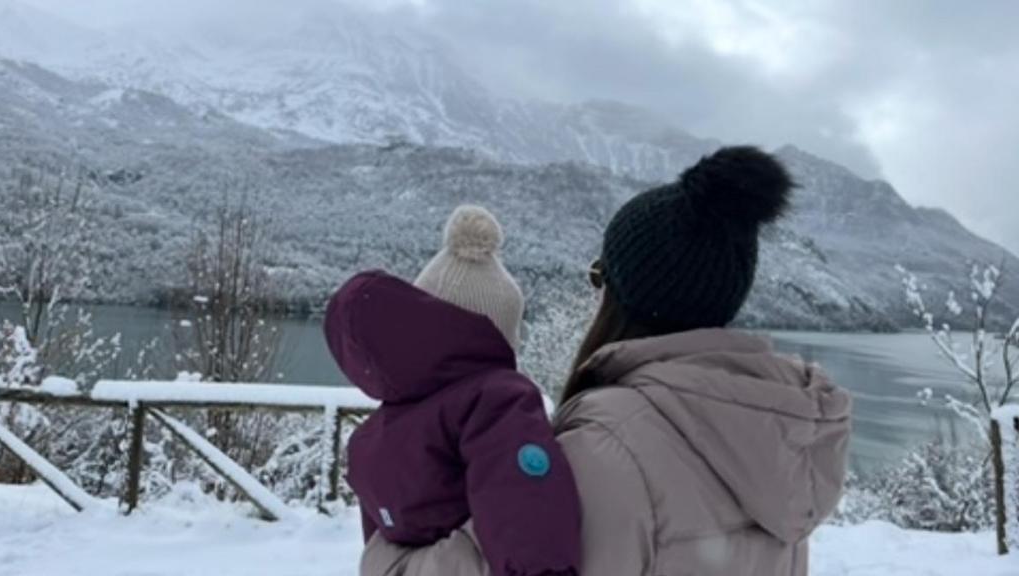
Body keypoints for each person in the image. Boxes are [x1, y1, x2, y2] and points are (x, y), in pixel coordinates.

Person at [360, 146, 853, 576]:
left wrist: (387, 547)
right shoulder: (783, 439)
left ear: (621, 296)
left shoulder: (604, 453)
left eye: (599, 277)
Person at [324, 206, 582, 576]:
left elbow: (382, 541)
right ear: (500, 335)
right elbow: (526, 507)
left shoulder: (378, 431)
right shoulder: (497, 399)